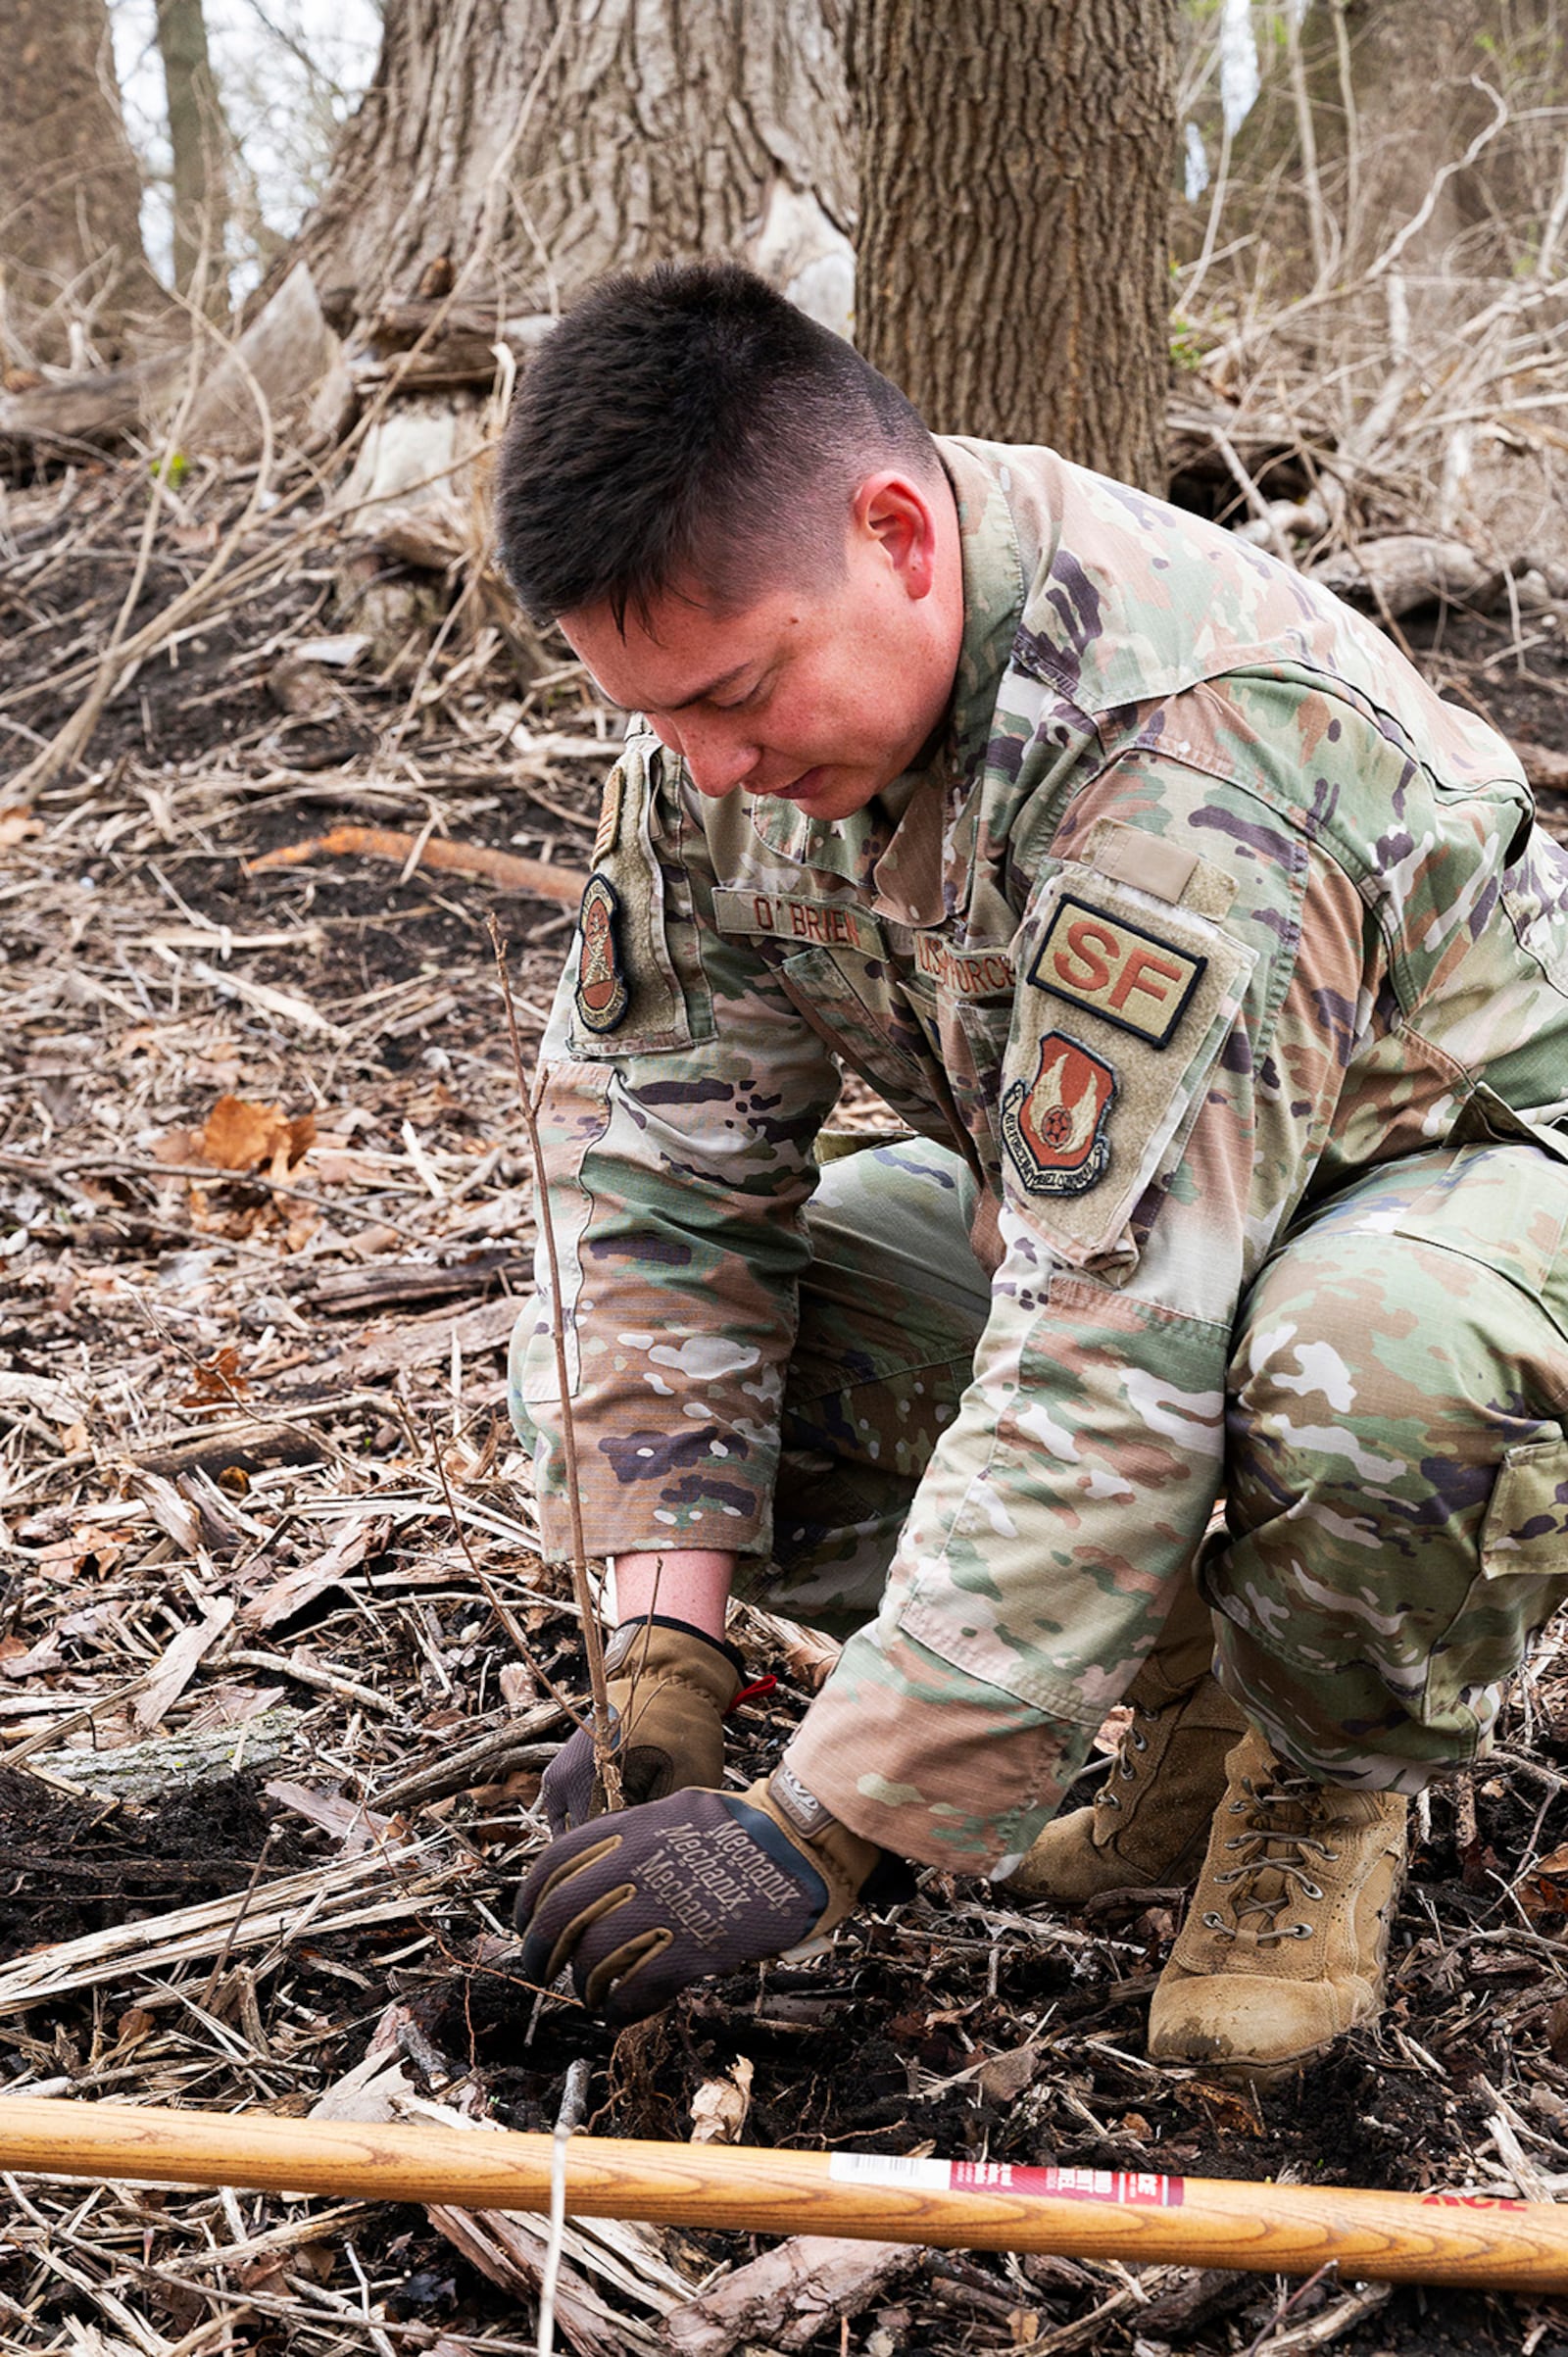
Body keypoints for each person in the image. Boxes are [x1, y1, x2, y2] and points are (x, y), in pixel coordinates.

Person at [496, 261, 1568, 2075]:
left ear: (899, 533)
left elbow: (1113, 1337)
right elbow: (653, 1190)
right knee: (731, 1343)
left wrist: (818, 1823)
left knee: (1370, 1366)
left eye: (738, 696)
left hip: (1458, 1197)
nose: (712, 768)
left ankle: (1319, 1786)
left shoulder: (1188, 737)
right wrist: (657, 1649)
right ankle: (1190, 1695)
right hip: (1132, 1219)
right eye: (657, 715)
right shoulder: (717, 734)